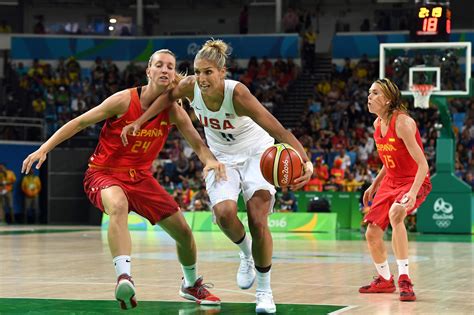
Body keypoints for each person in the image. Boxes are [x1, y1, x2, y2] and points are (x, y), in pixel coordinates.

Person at [22, 49, 226, 310]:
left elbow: (198, 144)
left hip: (140, 178)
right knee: (118, 205)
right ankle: (123, 277)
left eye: (170, 66)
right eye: (159, 65)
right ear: (148, 71)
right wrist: (44, 148)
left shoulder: (174, 111)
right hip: (103, 172)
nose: (165, 70)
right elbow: (80, 121)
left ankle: (189, 284)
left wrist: (209, 160)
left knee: (184, 233)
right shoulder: (123, 100)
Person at [121, 39, 313, 314]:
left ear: (223, 72)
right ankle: (246, 251)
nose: (201, 78)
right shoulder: (190, 87)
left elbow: (280, 130)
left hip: (257, 154)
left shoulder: (238, 95)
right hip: (222, 158)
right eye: (198, 71)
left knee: (258, 221)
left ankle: (264, 292)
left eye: (208, 72)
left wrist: (306, 161)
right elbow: (167, 97)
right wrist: (140, 120)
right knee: (224, 215)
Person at [359, 78, 431, 302]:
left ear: (388, 99)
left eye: (375, 93)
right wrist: (375, 183)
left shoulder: (403, 123)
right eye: (369, 93)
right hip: (391, 180)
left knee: (396, 214)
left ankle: (404, 279)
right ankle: (384, 280)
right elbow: (388, 159)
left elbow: (423, 165)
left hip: (414, 179)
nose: (369, 97)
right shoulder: (377, 124)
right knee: (372, 233)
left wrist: (411, 192)